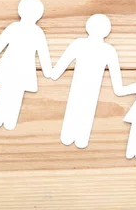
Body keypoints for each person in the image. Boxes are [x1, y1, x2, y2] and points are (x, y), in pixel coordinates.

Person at [52, 14, 124, 149]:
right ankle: (77, 138)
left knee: (78, 108)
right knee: (85, 110)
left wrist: (53, 73)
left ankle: (73, 137)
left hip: (83, 86)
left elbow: (59, 67)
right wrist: (121, 90)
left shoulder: (81, 44)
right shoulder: (108, 50)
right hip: (89, 88)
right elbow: (117, 82)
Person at [0, 0, 53, 130]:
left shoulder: (15, 27)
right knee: (13, 94)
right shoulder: (37, 32)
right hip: (23, 69)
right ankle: (4, 120)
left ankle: (1, 119)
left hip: (11, 67)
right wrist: (48, 71)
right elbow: (44, 55)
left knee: (8, 93)